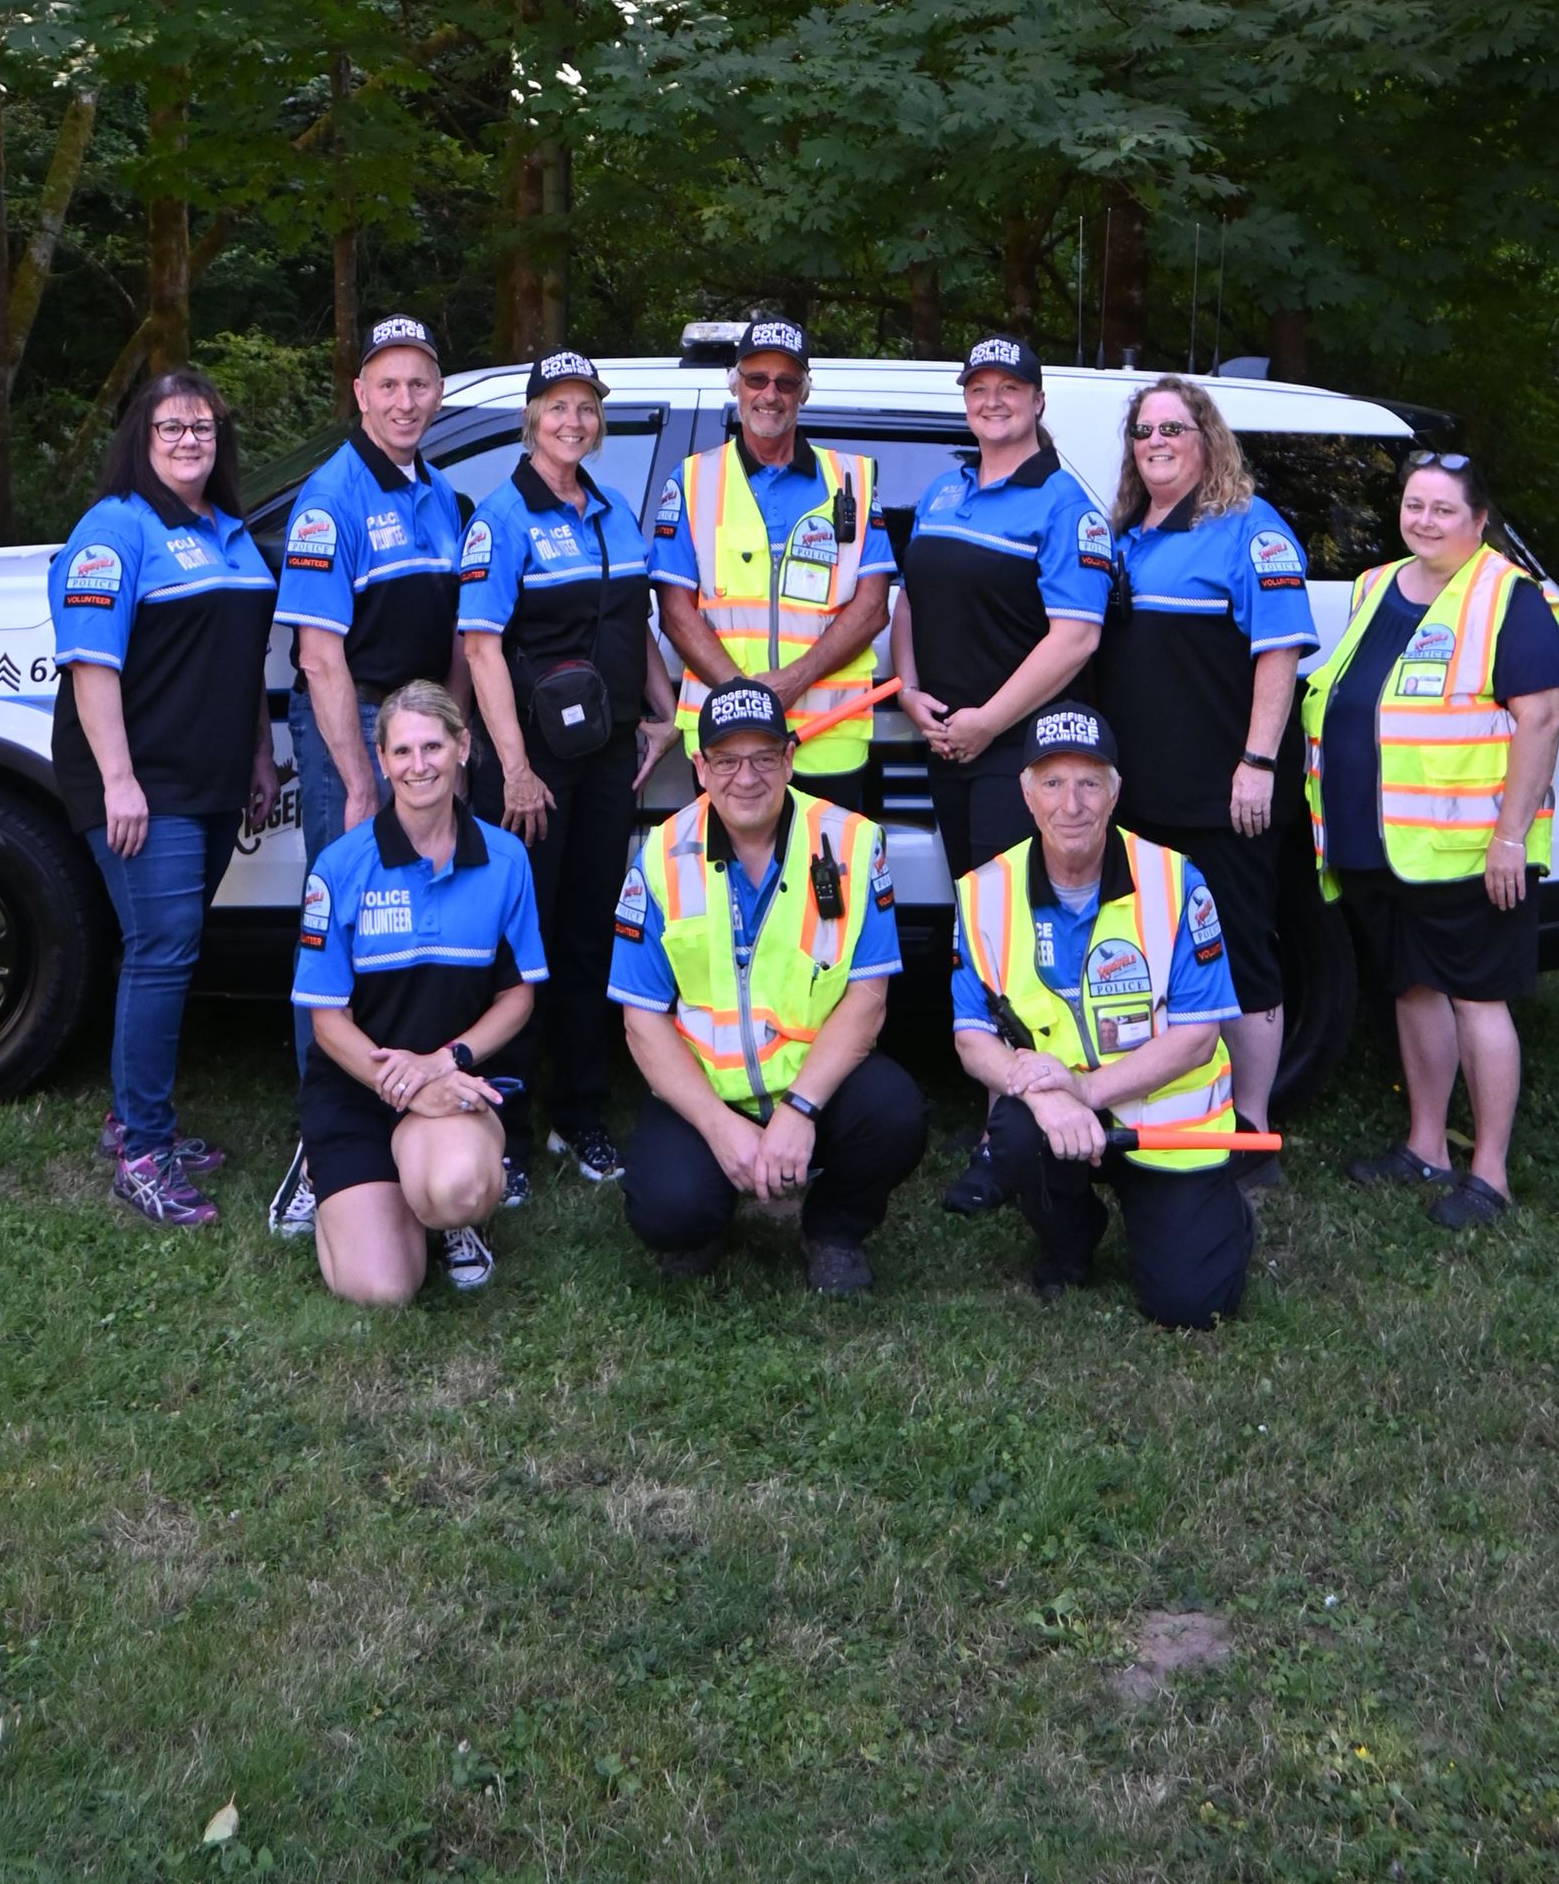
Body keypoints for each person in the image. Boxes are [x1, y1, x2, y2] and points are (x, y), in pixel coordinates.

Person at [1302, 451, 1559, 1229]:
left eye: (1443, 509)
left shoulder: (1508, 598)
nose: (1423, 520)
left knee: (1476, 1000)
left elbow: (1542, 718)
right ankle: (1426, 1145)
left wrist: (1510, 839)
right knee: (1412, 988)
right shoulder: (1374, 585)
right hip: (1379, 844)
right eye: (1413, 505)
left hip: (1468, 850)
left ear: (1479, 519)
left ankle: (1488, 1174)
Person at [50, 369, 281, 1225]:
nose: (190, 441)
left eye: (204, 428)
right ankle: (143, 1151)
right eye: (172, 428)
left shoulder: (229, 531)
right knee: (164, 949)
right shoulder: (113, 532)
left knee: (166, 948)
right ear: (140, 440)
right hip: (143, 783)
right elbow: (91, 665)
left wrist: (260, 753)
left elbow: (247, 660)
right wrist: (118, 781)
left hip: (217, 776)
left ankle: (133, 1118)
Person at [608, 678, 926, 1292]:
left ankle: (832, 1229)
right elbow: (641, 1018)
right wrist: (718, 1127)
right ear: (699, 768)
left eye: (762, 758)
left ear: (789, 758)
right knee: (667, 1209)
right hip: (710, 1091)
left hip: (816, 1087)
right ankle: (708, 1218)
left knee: (896, 1113)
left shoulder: (855, 843)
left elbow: (868, 997)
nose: (745, 778)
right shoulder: (660, 855)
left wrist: (800, 1110)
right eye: (726, 760)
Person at [889, 335, 1111, 1213]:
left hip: (1021, 758)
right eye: (977, 387)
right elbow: (908, 598)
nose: (991, 401)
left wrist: (989, 721)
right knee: (980, 934)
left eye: (1008, 388)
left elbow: (1076, 635)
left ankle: (1006, 1132)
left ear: (1037, 400)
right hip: (950, 749)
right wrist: (909, 691)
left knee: (1019, 942)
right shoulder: (946, 488)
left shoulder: (1062, 503)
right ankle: (1004, 1108)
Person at [951, 703, 1253, 1326]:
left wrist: (1085, 1090)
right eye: (1053, 783)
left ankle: (1216, 1213)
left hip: (1167, 1126)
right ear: (1027, 795)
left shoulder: (1175, 880)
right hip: (1061, 1119)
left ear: (1115, 794)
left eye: (1090, 782)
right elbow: (972, 1037)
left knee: (1189, 1306)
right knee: (1013, 1133)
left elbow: (1199, 1038)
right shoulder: (983, 891)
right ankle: (1070, 1241)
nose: (1072, 804)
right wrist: (1044, 1097)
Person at [460, 349, 679, 1199]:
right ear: (530, 417)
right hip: (534, 766)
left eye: (586, 407)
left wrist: (662, 713)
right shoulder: (501, 517)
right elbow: (480, 647)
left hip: (607, 760)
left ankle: (578, 1114)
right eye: (557, 406)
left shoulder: (613, 509)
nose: (573, 421)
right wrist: (511, 767)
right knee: (519, 945)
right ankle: (502, 1125)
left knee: (591, 934)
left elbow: (640, 624)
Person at [267, 312, 468, 1239]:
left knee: (421, 923)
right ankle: (323, 1150)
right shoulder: (330, 497)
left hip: (425, 735)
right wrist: (356, 778)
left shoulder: (441, 493)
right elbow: (319, 657)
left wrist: (451, 747)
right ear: (358, 393)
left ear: (438, 391)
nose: (404, 400)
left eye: (420, 384)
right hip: (362, 733)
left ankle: (426, 1110)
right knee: (338, 936)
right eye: (386, 384)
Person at [1096, 377, 1319, 1181]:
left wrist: (1257, 764)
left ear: (1206, 438)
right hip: (1140, 796)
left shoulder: (1249, 531)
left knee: (1240, 954)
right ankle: (1172, 1104)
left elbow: (1279, 655)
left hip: (1224, 796)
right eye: (1143, 431)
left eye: (1173, 428)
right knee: (1160, 958)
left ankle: (1251, 1128)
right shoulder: (1127, 534)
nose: (1155, 441)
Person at [290, 683, 547, 1302]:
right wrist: (405, 1084)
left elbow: (518, 998)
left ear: (462, 747)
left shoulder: (507, 859)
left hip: (454, 1082)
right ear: (381, 761)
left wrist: (441, 1066)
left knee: (457, 1189)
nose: (418, 765)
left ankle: (445, 1217)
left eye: (433, 746)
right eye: (402, 751)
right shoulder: (340, 867)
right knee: (383, 1289)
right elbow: (327, 1021)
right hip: (360, 1089)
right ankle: (324, 1175)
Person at [652, 316, 896, 813]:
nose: (770, 394)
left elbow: (873, 609)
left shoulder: (853, 478)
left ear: (803, 392)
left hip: (828, 736)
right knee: (729, 883)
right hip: (724, 740)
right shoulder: (694, 478)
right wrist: (746, 699)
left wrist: (794, 679)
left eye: (786, 382)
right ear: (735, 386)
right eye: (756, 379)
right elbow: (675, 610)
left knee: (828, 878)